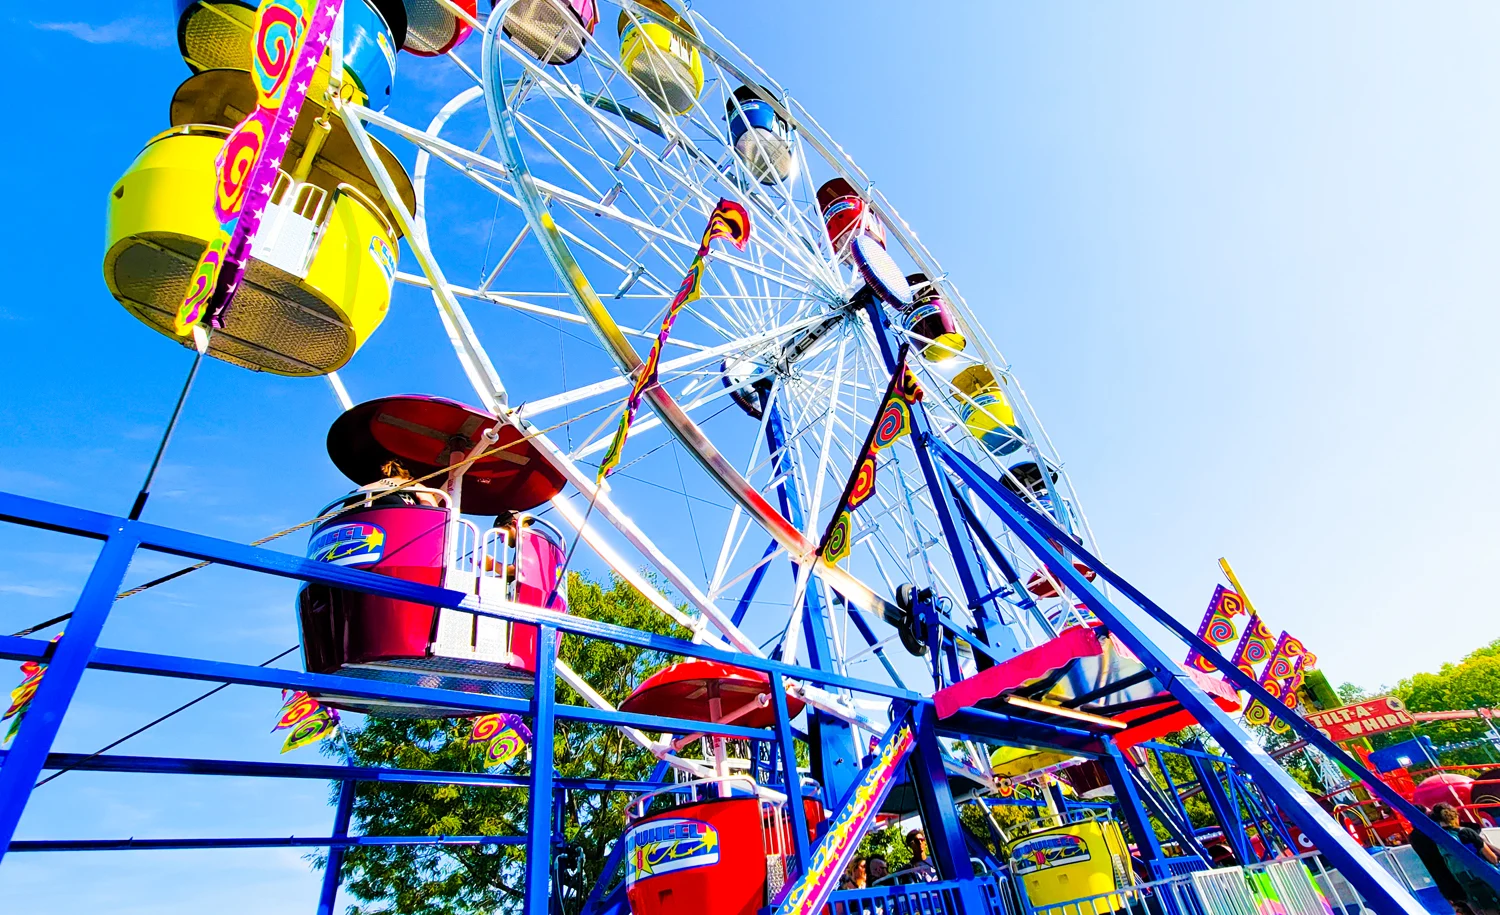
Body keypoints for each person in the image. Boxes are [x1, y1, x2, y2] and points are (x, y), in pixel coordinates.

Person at [1432, 803, 1500, 915]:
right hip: (1484, 876)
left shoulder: (1440, 840)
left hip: (1464, 879)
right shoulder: (1466, 832)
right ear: (1455, 816)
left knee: (1486, 908)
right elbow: (1492, 858)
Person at [1407, 808, 1473, 914]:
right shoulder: (1433, 832)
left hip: (1443, 882)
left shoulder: (1413, 837)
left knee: (1462, 907)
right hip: (1457, 875)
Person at [359, 459, 442, 507]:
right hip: (398, 522)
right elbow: (431, 509)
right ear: (410, 478)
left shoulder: (364, 488)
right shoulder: (413, 485)